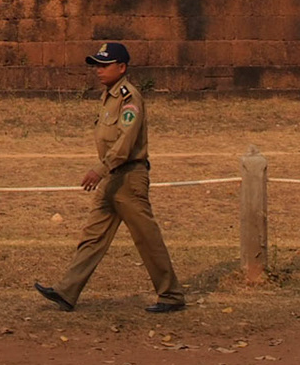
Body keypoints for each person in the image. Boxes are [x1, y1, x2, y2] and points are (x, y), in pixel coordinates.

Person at [33, 43, 186, 315]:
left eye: (104, 65)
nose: (98, 70)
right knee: (93, 236)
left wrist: (99, 170)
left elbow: (125, 143)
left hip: (128, 178)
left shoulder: (130, 98)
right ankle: (67, 291)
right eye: (97, 65)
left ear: (122, 67)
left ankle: (171, 294)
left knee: (146, 239)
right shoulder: (108, 96)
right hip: (112, 177)